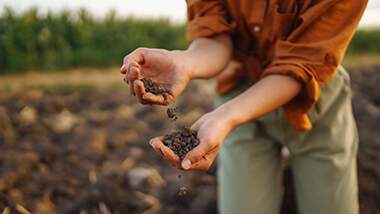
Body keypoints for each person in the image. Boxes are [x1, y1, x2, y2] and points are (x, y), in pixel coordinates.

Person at [120, 0, 367, 213]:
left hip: (313, 98)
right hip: (238, 91)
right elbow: (215, 38)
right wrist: (184, 62)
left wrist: (226, 116)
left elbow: (302, 64)